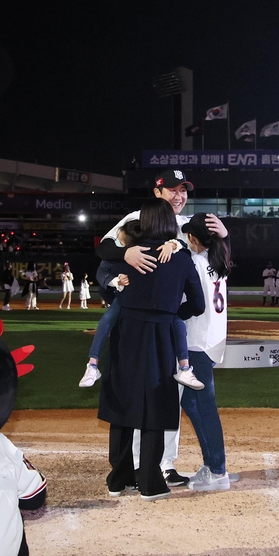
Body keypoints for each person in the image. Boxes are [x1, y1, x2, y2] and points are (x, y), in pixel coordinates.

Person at [106, 169, 229, 486]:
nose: (180, 195)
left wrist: (222, 237)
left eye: (184, 190)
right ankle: (136, 463)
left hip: (173, 329)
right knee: (143, 394)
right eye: (173, 190)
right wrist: (125, 251)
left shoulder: (184, 226)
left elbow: (207, 262)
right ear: (157, 192)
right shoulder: (139, 216)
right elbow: (104, 250)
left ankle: (164, 464)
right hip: (143, 323)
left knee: (167, 399)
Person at [97, 200, 206, 501]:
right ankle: (149, 481)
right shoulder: (181, 258)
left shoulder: (130, 254)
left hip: (126, 332)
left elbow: (106, 287)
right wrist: (172, 315)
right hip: (161, 334)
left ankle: (118, 479)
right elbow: (198, 304)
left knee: (122, 400)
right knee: (155, 405)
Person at [80, 220, 204, 392]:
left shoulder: (136, 252)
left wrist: (172, 244)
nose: (117, 238)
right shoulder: (121, 255)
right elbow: (102, 275)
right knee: (107, 322)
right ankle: (92, 365)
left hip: (140, 311)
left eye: (120, 236)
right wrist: (116, 282)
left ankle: (184, 368)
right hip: (137, 306)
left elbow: (103, 281)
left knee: (176, 325)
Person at [179, 213, 235, 491]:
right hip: (211, 341)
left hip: (198, 342)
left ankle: (218, 471)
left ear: (193, 238)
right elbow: (224, 248)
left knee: (204, 406)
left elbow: (195, 305)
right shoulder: (218, 259)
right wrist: (224, 237)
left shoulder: (194, 261)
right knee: (190, 402)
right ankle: (212, 463)